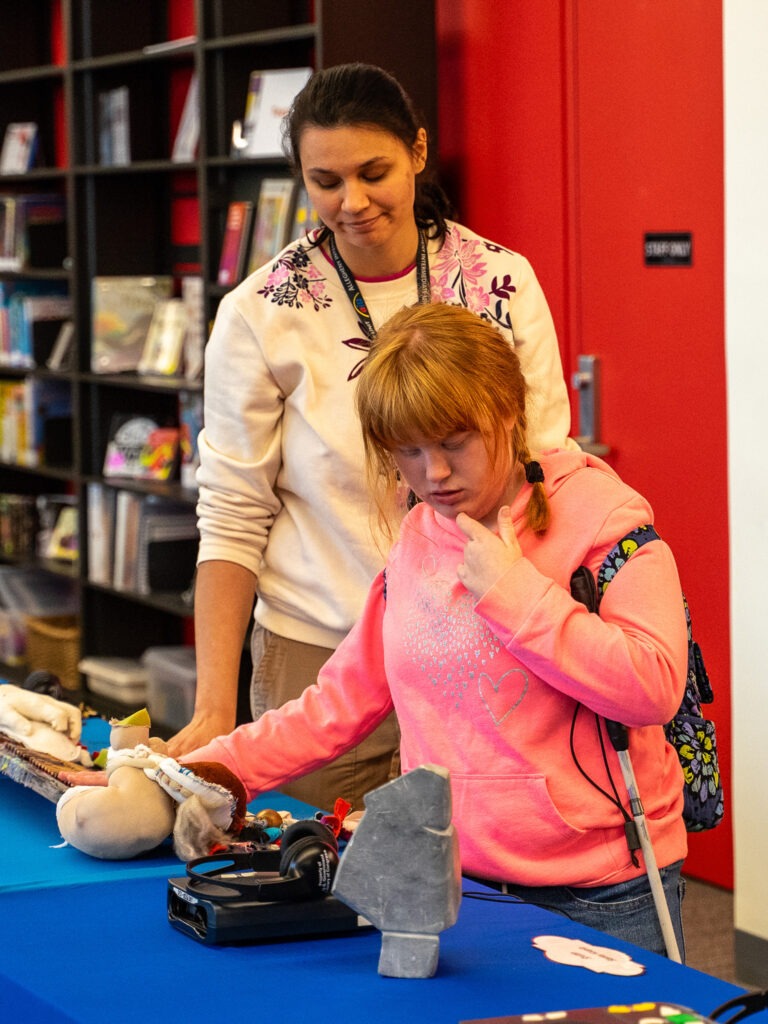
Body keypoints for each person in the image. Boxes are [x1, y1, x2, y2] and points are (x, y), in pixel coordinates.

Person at [184, 302, 689, 957]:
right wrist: (206, 776)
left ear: (508, 410)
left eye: (454, 442)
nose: (434, 474)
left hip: (598, 895)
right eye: (410, 451)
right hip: (454, 887)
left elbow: (651, 689)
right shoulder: (419, 537)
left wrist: (514, 593)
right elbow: (336, 705)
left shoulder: (605, 523)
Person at [168, 62, 576, 812]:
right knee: (328, 892)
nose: (351, 202)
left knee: (482, 896)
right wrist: (214, 704)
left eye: (374, 171)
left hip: (484, 648)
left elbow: (548, 467)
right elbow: (231, 514)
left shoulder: (501, 284)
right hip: (321, 657)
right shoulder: (261, 312)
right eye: (325, 180)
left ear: (418, 153)